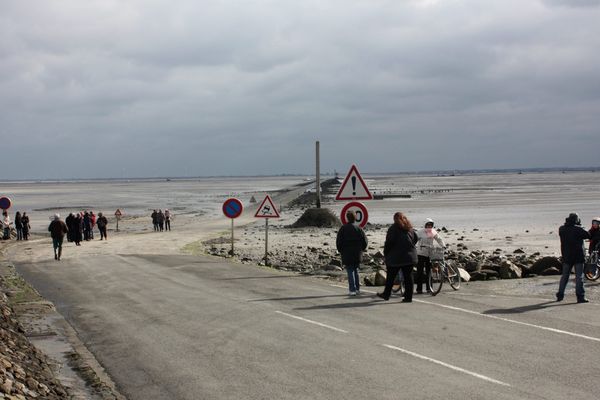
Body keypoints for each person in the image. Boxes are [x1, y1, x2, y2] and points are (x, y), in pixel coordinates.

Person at [378, 212, 419, 302]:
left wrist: (386, 254)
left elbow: (389, 243)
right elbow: (415, 239)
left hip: (396, 257)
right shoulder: (409, 228)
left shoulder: (393, 229)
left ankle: (386, 294)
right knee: (408, 277)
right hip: (410, 256)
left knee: (391, 277)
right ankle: (408, 297)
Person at [557, 213, 591, 303]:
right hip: (578, 256)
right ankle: (580, 297)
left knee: (565, 276)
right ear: (576, 220)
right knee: (579, 277)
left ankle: (560, 294)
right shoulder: (578, 229)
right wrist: (579, 226)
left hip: (566, 256)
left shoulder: (562, 229)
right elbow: (588, 235)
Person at [336, 210, 368, 296]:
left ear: (347, 218)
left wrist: (340, 250)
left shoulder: (343, 229)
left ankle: (352, 289)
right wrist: (362, 249)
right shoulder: (359, 228)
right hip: (357, 253)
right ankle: (357, 289)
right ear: (355, 218)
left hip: (347, 253)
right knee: (355, 270)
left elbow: (339, 241)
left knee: (350, 270)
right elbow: (365, 241)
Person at [415, 218, 445, 294]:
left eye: (431, 225)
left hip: (430, 254)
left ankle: (429, 288)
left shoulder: (433, 232)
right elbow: (414, 240)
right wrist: (412, 246)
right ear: (425, 225)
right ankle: (419, 289)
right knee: (420, 271)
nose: (429, 226)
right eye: (428, 224)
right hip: (420, 253)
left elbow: (439, 239)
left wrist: (443, 245)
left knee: (429, 271)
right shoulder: (420, 232)